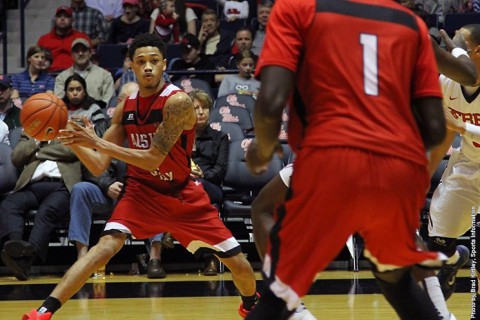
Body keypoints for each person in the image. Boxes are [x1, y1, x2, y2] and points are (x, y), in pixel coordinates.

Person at [22, 33, 258, 320]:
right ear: (131, 65)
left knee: (240, 265)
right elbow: (98, 166)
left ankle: (250, 304)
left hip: (182, 193)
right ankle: (44, 311)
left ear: (163, 65)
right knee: (103, 248)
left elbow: (152, 158)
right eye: (141, 61)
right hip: (141, 192)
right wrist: (73, 141)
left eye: (154, 61)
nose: (148, 67)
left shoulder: (178, 102)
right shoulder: (126, 107)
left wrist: (96, 141)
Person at [245, 0, 447, 319]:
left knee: (275, 297)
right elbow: (435, 130)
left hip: (330, 159)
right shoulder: (410, 22)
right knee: (397, 282)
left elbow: (270, 105)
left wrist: (262, 150)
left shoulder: (296, 9)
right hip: (398, 167)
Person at [427, 24, 480, 304]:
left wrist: (467, 131)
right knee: (436, 248)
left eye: (459, 49)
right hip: (466, 167)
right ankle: (448, 270)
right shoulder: (446, 83)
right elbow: (446, 133)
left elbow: (458, 129)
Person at [0, 133, 81, 281]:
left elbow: (71, 151)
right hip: (32, 185)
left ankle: (26, 260)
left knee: (46, 211)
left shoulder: (69, 129)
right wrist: (37, 139)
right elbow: (16, 158)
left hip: (61, 185)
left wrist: (37, 152)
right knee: (9, 204)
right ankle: (16, 248)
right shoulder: (29, 134)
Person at [189, 89, 229, 275]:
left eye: (204, 107)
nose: (200, 112)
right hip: (188, 189)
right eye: (195, 108)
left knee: (194, 189)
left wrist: (202, 175)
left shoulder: (219, 137)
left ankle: (169, 233)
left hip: (212, 187)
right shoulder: (180, 138)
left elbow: (220, 170)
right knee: (201, 207)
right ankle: (209, 259)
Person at [54, 38, 116, 109]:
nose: (80, 53)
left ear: (90, 53)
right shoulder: (62, 77)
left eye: (84, 50)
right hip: (69, 116)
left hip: (97, 115)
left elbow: (109, 102)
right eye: (76, 51)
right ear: (71, 55)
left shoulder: (105, 75)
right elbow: (59, 103)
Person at [38, 5, 91, 73]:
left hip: (76, 73)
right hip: (50, 74)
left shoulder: (82, 37)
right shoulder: (44, 39)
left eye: (66, 16)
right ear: (55, 19)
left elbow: (91, 58)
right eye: (59, 16)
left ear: (72, 20)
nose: (62, 19)